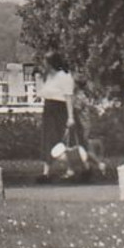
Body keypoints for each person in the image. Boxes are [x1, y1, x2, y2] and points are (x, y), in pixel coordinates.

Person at [37, 54, 80, 183]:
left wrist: (71, 116)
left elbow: (68, 97)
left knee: (64, 141)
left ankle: (70, 169)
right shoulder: (47, 78)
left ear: (51, 64)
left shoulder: (64, 77)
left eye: (46, 63)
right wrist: (38, 79)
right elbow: (41, 93)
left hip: (61, 110)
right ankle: (46, 172)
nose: (44, 65)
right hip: (49, 110)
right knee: (48, 140)